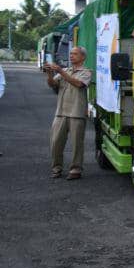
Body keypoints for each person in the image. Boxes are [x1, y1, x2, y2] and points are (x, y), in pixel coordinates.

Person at [44, 46, 93, 180]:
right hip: (61, 112)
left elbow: (78, 84)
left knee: (77, 144)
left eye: (75, 54)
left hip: (77, 112)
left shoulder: (87, 72)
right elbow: (52, 84)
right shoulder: (66, 70)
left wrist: (60, 70)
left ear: (83, 57)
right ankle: (56, 168)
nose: (71, 56)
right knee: (55, 142)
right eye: (70, 54)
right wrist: (49, 73)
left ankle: (76, 169)